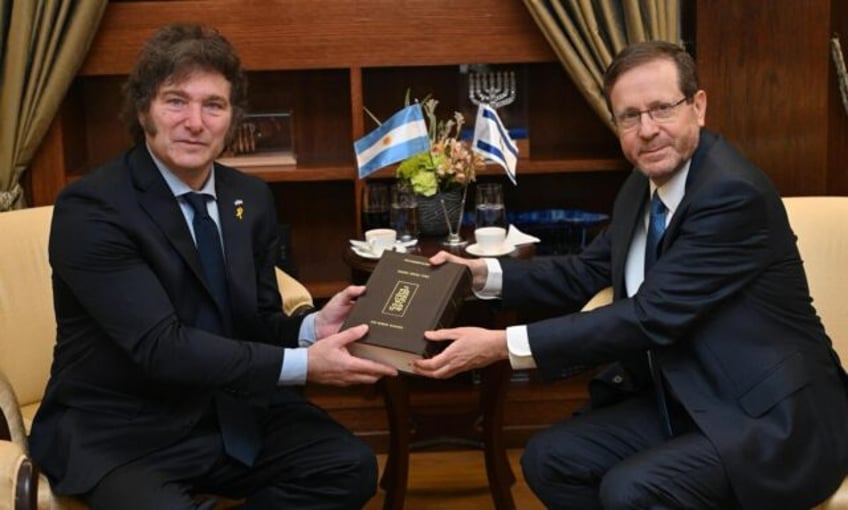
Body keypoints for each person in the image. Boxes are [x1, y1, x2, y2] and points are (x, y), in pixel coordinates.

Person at [416, 41, 848, 509]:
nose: (647, 130)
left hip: (771, 418)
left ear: (697, 107)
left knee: (632, 490)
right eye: (629, 116)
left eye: (662, 109)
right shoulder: (643, 186)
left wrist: (500, 347)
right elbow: (586, 271)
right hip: (688, 396)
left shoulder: (730, 195)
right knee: (550, 458)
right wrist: (480, 274)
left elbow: (649, 316)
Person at [28, 23, 397, 510]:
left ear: (232, 119)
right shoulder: (92, 209)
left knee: (347, 467)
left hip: (229, 410)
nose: (195, 122)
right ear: (144, 112)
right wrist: (308, 365)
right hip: (123, 428)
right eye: (176, 101)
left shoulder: (251, 198)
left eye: (214, 105)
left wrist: (311, 329)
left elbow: (255, 321)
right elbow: (160, 348)